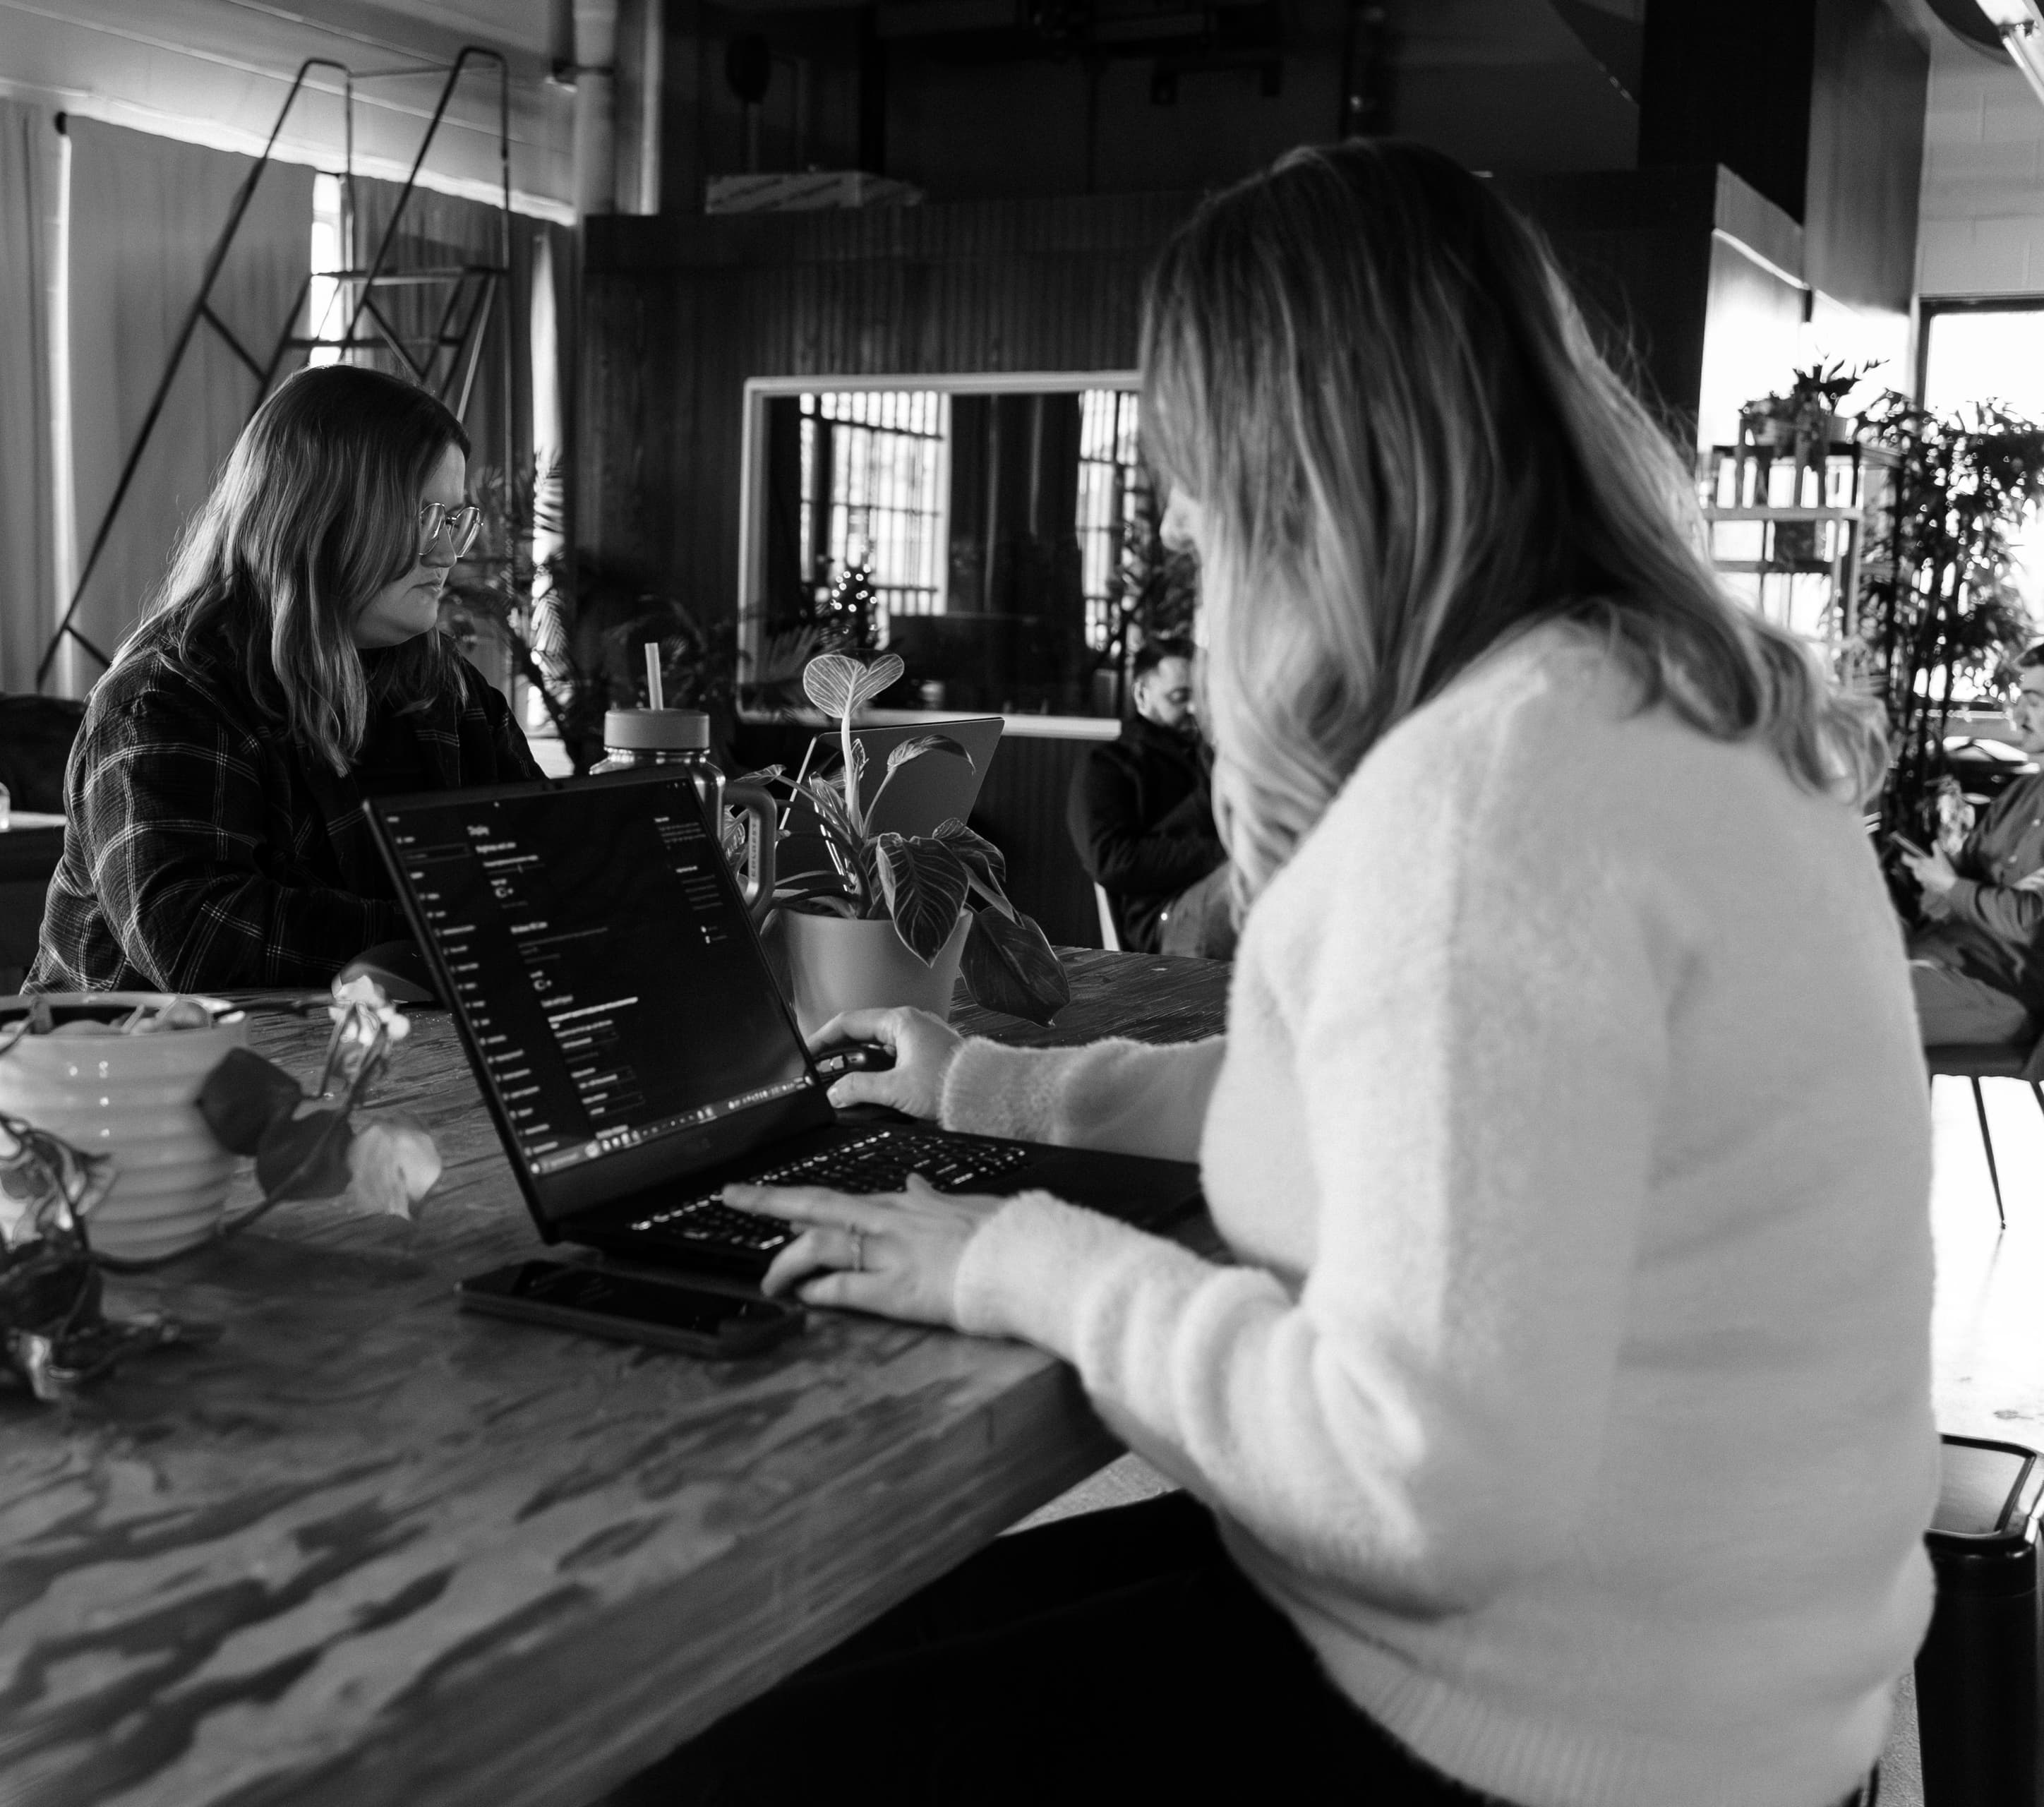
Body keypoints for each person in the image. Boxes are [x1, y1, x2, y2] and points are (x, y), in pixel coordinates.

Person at [632, 140, 1934, 1807]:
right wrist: (981, 1085)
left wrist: (1026, 1262)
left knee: (706, 1740)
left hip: (1529, 1739)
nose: (1177, 522)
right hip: (1731, 1708)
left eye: (1189, 466)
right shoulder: (1675, 716)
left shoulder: (1495, 798)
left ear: (1292, 468)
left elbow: (1418, 1486)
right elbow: (1401, 1128)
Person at [28, 365, 539, 993]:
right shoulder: (167, 696)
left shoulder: (442, 686)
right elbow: (195, 935)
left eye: (454, 521)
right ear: (316, 518)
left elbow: (538, 862)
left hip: (363, 1068)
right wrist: (457, 933)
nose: (445, 554)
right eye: (423, 518)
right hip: (128, 1077)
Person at [1899, 642, 2044, 1044]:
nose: (2017, 715)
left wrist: (1951, 887)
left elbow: (2031, 924)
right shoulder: (2020, 794)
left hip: (2003, 991)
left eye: (2033, 702)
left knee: (1833, 1004)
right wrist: (1937, 883)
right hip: (1942, 955)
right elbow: (1953, 890)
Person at [1068, 637, 1231, 954]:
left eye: (1203, 695)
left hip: (1224, 892)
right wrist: (1223, 854)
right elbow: (1111, 860)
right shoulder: (1109, 763)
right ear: (1142, 696)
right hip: (1163, 917)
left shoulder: (1212, 755)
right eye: (1180, 697)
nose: (1195, 709)